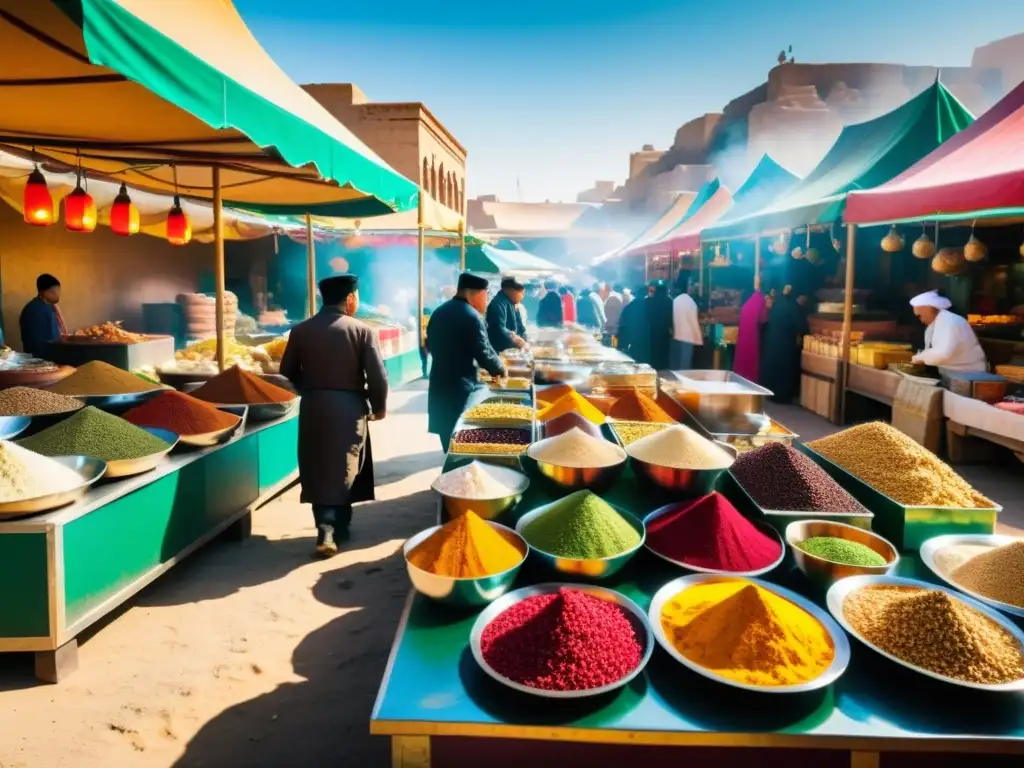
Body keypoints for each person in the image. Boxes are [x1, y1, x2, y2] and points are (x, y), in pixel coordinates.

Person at [280, 275, 388, 557]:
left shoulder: (301, 330)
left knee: (318, 466)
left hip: (314, 407)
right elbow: (378, 378)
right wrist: (379, 407)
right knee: (344, 465)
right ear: (351, 298)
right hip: (349, 406)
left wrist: (311, 390)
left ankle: (328, 526)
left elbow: (287, 372)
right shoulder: (362, 331)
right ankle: (333, 527)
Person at [427, 272, 506, 449]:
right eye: (486, 295)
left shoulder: (439, 312)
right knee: (462, 442)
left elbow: (430, 345)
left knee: (448, 439)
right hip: (460, 388)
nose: (486, 301)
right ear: (477, 293)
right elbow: (484, 352)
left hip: (440, 384)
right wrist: (500, 369)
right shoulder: (471, 316)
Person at [910, 290, 987, 372]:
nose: (921, 321)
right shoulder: (933, 325)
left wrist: (918, 358)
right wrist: (920, 357)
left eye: (919, 316)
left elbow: (942, 354)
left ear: (928, 310)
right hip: (949, 374)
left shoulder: (950, 321)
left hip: (969, 374)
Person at [761, 285, 807, 402]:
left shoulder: (778, 303)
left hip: (773, 340)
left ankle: (772, 394)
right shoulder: (793, 307)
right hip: (785, 342)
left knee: (774, 367)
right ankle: (782, 397)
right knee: (784, 370)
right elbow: (800, 326)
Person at [19, 273, 66, 358]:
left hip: (52, 356)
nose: (57, 295)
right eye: (54, 291)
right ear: (44, 292)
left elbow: (54, 334)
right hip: (41, 360)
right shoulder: (35, 309)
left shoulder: (50, 307)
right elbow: (38, 342)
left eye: (58, 291)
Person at [734, 279, 769, 383]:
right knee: (751, 362)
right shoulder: (761, 300)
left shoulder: (751, 300)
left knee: (742, 360)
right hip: (753, 336)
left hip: (744, 335)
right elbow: (763, 318)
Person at [486, 275, 528, 353]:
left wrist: (524, 339)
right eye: (521, 293)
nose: (522, 296)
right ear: (509, 290)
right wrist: (516, 339)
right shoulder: (498, 304)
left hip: (510, 350)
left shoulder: (511, 303)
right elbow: (499, 328)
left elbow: (520, 326)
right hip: (499, 350)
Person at [671, 276, 702, 370]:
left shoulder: (675, 300)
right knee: (685, 366)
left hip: (676, 337)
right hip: (687, 338)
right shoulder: (690, 302)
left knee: (675, 366)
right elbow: (694, 322)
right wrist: (699, 339)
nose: (692, 288)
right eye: (690, 285)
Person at [645, 280, 674, 370]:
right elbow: (671, 316)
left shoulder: (650, 300)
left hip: (653, 331)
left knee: (654, 352)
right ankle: (664, 370)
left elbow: (647, 316)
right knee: (664, 352)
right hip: (664, 331)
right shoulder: (669, 300)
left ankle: (654, 369)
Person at [617, 283, 649, 361]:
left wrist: (621, 345)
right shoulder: (651, 305)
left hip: (634, 344)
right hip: (649, 343)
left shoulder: (629, 307)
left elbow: (623, 326)